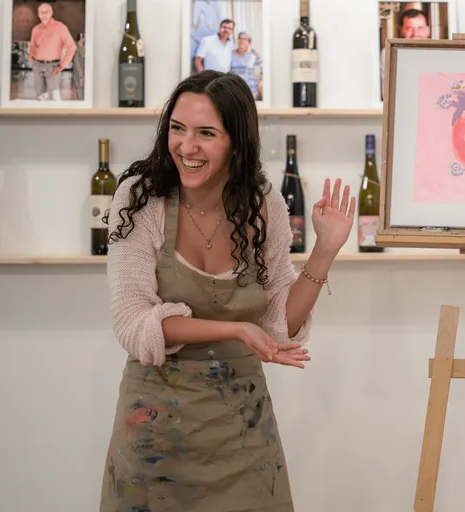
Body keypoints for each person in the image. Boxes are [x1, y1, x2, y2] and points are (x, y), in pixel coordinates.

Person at [98, 70, 355, 511]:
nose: (186, 146)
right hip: (156, 430)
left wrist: (325, 251)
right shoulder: (140, 199)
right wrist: (234, 331)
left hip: (243, 429)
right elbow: (132, 324)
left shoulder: (264, 204)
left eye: (206, 133)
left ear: (237, 140)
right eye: (177, 129)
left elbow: (276, 327)